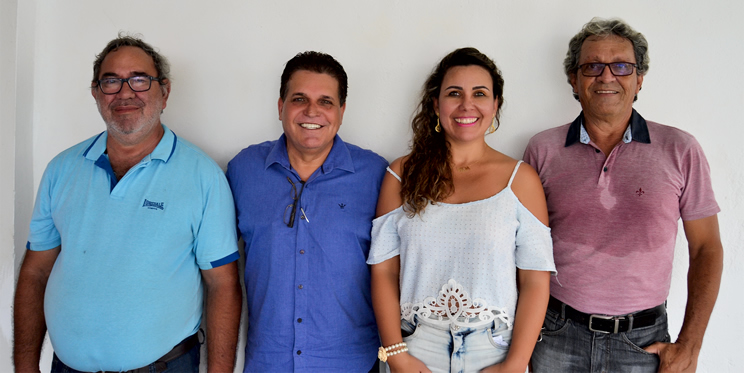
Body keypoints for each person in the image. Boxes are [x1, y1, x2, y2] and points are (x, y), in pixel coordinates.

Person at [13, 34, 242, 372]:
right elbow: (36, 271)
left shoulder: (202, 177)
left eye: (139, 80)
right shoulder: (61, 170)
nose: (124, 93)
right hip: (67, 367)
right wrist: (24, 366)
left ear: (164, 92)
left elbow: (222, 284)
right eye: (111, 81)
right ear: (95, 92)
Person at [524, 18, 723, 373]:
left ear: (639, 79)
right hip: (555, 336)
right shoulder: (542, 150)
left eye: (621, 66)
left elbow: (707, 247)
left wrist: (690, 346)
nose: (606, 76)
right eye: (592, 66)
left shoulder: (680, 149)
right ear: (574, 79)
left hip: (644, 344)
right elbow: (522, 250)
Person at [368, 47, 555, 373]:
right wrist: (396, 354)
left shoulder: (520, 180)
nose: (467, 104)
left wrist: (514, 364)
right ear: (436, 104)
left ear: (495, 104)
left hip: (495, 350)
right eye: (454, 93)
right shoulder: (401, 174)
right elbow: (384, 271)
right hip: (415, 346)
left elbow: (535, 281)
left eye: (479, 93)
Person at [226, 51, 387, 372]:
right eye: (299, 98)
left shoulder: (376, 174)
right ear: (280, 106)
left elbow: (396, 272)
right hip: (268, 362)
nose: (312, 110)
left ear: (341, 111)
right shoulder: (243, 170)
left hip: (351, 363)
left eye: (326, 101)